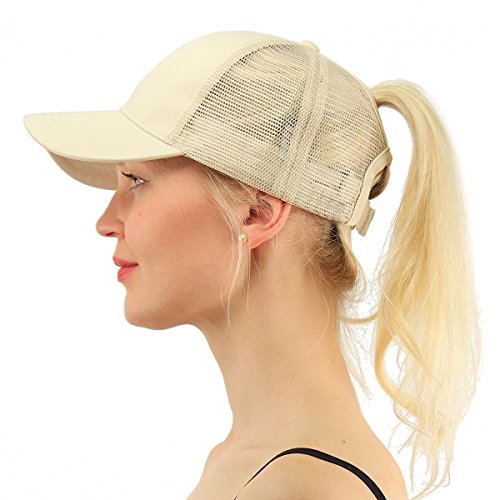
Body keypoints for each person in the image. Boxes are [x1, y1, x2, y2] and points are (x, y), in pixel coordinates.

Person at [23, 30, 481, 500]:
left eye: (136, 180)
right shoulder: (249, 463)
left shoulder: (304, 487)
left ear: (257, 213)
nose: (105, 222)